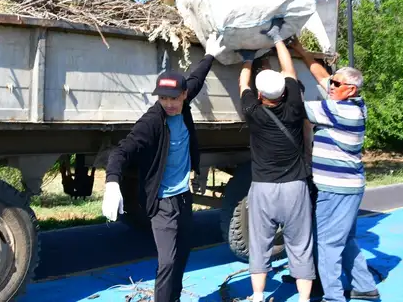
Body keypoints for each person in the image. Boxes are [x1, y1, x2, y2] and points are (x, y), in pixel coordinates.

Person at [102, 32, 226, 302]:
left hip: (184, 197)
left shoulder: (185, 102)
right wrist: (112, 182)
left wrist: (210, 55)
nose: (168, 104)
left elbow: (196, 78)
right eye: (163, 98)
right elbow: (123, 150)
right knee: (167, 261)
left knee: (182, 256)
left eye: (174, 98)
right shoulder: (153, 121)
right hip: (162, 202)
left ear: (183, 95)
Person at [289, 37, 381, 302]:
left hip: (337, 190)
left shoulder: (338, 111)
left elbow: (295, 104)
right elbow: (322, 77)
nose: (330, 86)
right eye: (332, 82)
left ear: (350, 89)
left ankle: (333, 297)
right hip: (349, 187)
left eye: (336, 84)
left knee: (328, 244)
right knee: (346, 238)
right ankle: (364, 286)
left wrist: (283, 72)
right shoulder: (353, 104)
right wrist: (302, 52)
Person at [237, 19, 315, 302]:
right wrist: (277, 37)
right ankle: (304, 299)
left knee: (260, 242)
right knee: (301, 244)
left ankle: (258, 296)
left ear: (259, 95)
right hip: (295, 186)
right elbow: (290, 70)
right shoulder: (295, 104)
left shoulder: (253, 112)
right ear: (283, 90)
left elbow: (242, 82)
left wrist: (247, 59)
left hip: (264, 188)